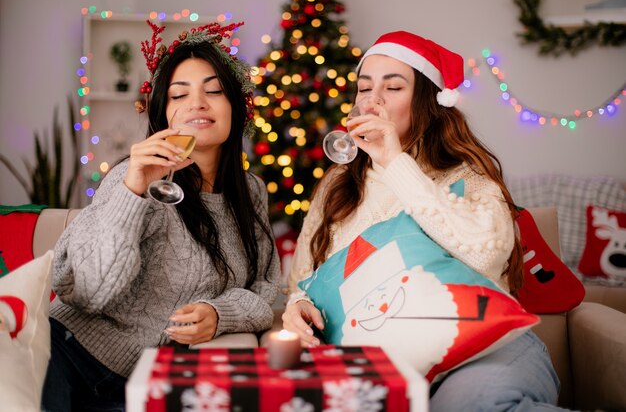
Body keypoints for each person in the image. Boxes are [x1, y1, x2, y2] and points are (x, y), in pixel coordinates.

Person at [282, 31, 563, 411]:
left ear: (427, 101)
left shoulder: (469, 175)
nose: (372, 100)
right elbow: (301, 281)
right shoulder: (337, 184)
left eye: (393, 87)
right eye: (364, 88)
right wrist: (298, 307)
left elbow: (487, 256)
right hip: (383, 364)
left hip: (479, 350)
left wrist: (395, 161)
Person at [41, 20, 280, 411]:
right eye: (178, 94)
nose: (197, 104)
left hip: (146, 380)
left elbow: (266, 288)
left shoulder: (250, 192)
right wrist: (133, 192)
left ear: (237, 107)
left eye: (215, 91)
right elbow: (85, 294)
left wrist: (220, 315)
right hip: (66, 358)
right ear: (163, 112)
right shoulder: (133, 177)